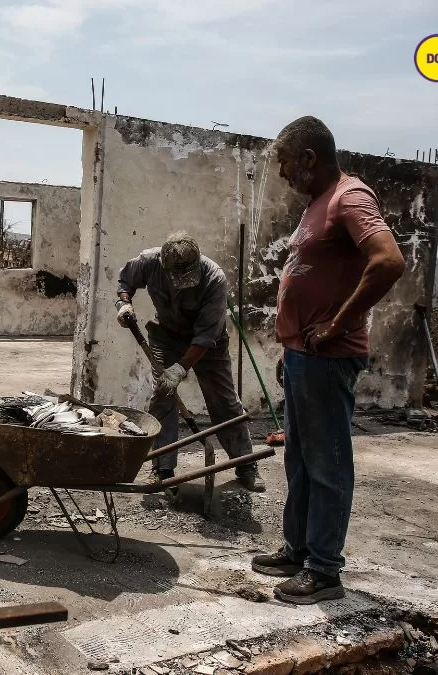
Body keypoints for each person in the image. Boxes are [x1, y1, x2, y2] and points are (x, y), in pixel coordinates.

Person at [250, 116, 405, 604]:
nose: (282, 174)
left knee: (327, 464)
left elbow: (388, 261)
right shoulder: (318, 203)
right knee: (299, 459)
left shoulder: (349, 197)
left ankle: (323, 570)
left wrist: (336, 325)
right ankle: (297, 551)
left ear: (308, 158)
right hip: (304, 356)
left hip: (329, 356)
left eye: (284, 163)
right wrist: (291, 346)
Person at [116, 232, 262, 492]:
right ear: (164, 264)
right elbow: (125, 281)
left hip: (208, 344)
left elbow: (206, 336)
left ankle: (246, 464)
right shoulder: (149, 262)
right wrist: (123, 303)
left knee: (224, 401)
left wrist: (180, 369)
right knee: (163, 396)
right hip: (166, 336)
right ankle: (162, 469)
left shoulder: (214, 278)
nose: (182, 285)